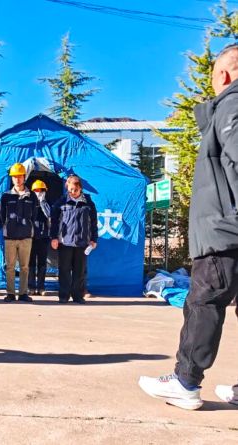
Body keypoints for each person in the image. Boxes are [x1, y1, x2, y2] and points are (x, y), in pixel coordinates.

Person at [139, 43, 238, 410]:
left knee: (204, 302)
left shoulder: (231, 104)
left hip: (224, 231)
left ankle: (185, 381)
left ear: (223, 75)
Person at [49, 174, 97, 305]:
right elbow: (54, 221)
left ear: (80, 188)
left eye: (75, 190)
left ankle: (78, 296)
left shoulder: (88, 203)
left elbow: (93, 222)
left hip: (82, 242)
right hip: (65, 242)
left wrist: (94, 239)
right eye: (70, 190)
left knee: (79, 271)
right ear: (67, 188)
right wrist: (54, 237)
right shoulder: (61, 202)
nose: (73, 192)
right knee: (64, 270)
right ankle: (64, 296)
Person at [1, 163, 36, 303]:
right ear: (11, 178)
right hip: (10, 237)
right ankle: (10, 293)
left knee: (24, 267)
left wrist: (27, 226)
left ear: (24, 177)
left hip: (26, 237)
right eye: (14, 176)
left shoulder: (31, 196)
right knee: (9, 267)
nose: (17, 179)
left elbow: (34, 215)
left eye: (20, 176)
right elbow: (2, 215)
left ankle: (23, 293)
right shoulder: (6, 196)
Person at [28, 180, 51, 296]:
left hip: (44, 237)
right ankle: (31, 287)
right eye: (36, 190)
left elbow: (50, 216)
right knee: (30, 263)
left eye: (41, 190)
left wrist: (42, 203)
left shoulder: (47, 203)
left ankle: (41, 287)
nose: (39, 192)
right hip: (31, 237)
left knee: (42, 264)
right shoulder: (29, 203)